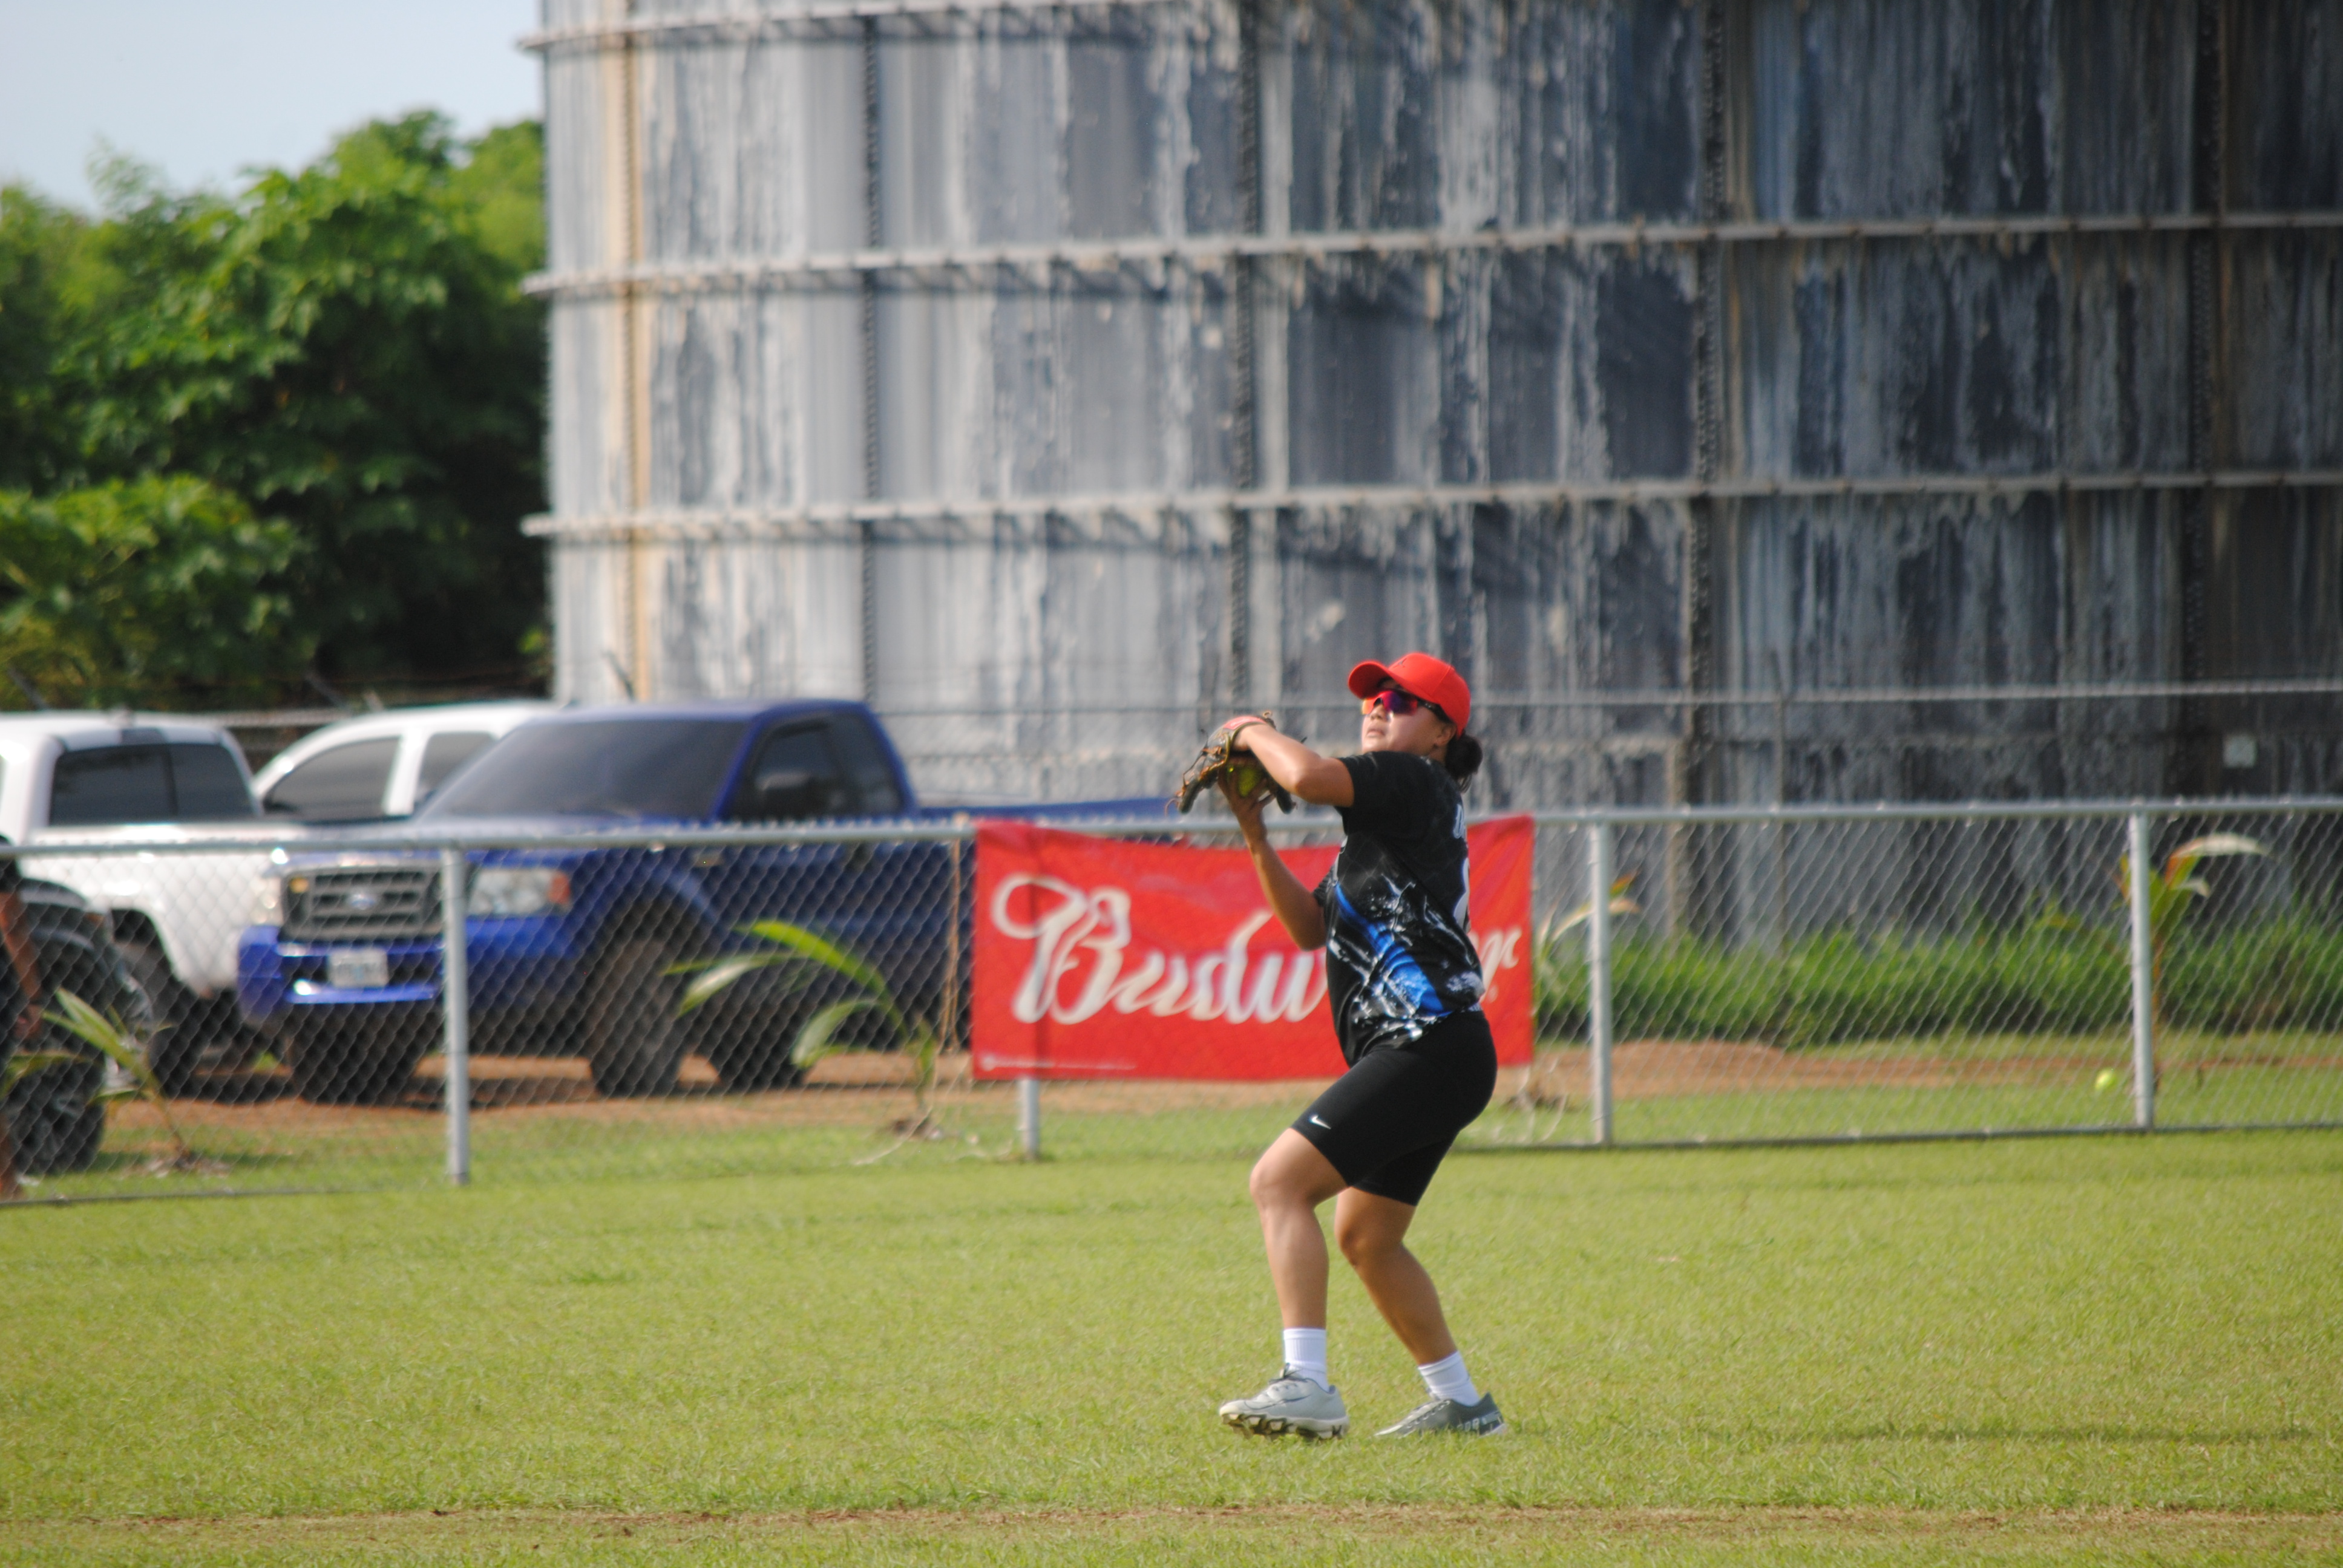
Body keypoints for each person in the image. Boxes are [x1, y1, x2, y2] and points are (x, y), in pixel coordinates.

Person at [1213, 652, 1504, 1440]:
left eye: (1403, 700)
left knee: (1278, 1184)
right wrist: (1252, 833)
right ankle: (1464, 1405)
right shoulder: (1380, 831)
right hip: (1437, 1049)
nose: (1378, 706)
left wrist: (1248, 729)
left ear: (1441, 734)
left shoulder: (1412, 781)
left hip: (1427, 1041)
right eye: (1373, 697)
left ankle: (1306, 1383)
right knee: (1367, 1237)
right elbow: (1311, 929)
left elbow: (1305, 778)